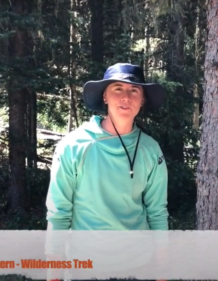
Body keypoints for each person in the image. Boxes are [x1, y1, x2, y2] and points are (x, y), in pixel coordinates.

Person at [45, 63, 169, 281]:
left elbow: (157, 211)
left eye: (134, 90)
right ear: (105, 97)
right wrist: (53, 273)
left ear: (143, 100)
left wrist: (162, 269)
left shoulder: (150, 149)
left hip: (138, 266)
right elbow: (59, 211)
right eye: (117, 89)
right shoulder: (73, 145)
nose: (126, 97)